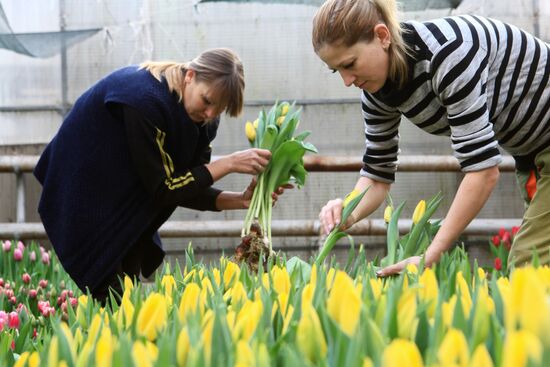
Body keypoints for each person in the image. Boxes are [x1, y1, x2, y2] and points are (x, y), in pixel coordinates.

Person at [313, 0, 550, 275]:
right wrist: (349, 210)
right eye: (336, 70)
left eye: (350, 64)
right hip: (531, 155)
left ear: (382, 36)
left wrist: (430, 256)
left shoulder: (448, 55)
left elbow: (483, 172)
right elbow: (378, 175)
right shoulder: (376, 91)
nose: (347, 80)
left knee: (528, 267)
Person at [34, 48, 278, 302]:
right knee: (110, 294)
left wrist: (238, 199)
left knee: (126, 294)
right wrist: (228, 163)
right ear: (190, 76)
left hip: (127, 200)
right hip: (85, 195)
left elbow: (186, 184)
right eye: (207, 101)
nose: (210, 115)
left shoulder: (203, 121)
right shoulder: (144, 102)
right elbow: (164, 188)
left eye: (220, 109)